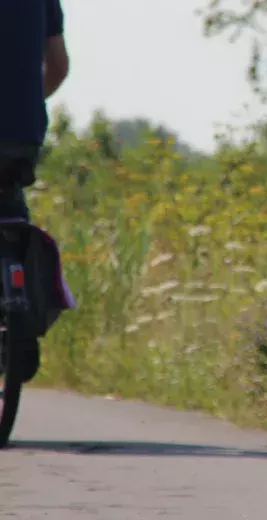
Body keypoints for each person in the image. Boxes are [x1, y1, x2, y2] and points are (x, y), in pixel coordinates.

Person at [0, 0, 70, 382]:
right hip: (22, 134)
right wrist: (24, 104)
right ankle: (20, 321)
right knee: (10, 208)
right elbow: (58, 67)